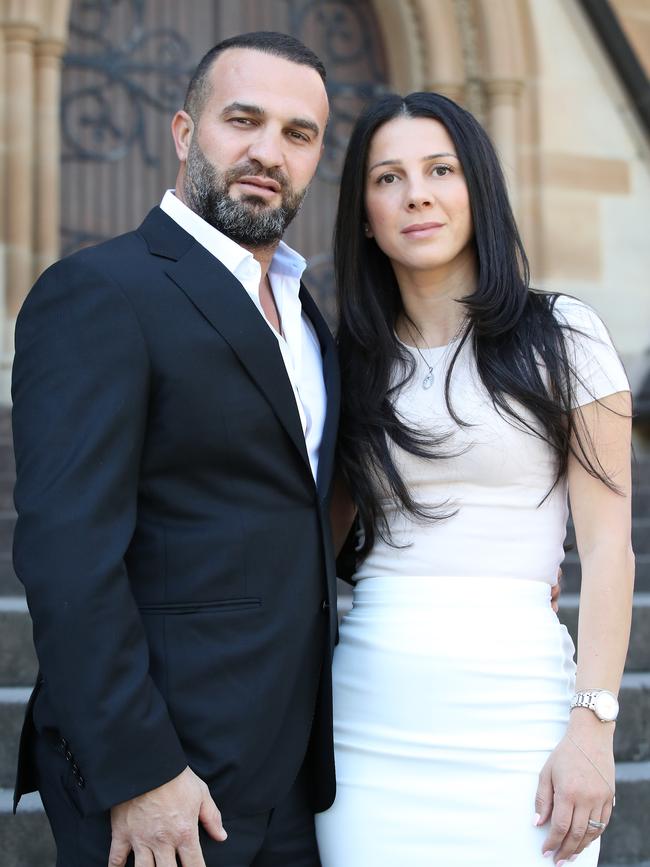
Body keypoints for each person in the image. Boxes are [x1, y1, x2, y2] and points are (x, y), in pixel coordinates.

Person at [12, 32, 338, 867]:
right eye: (243, 120)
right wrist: (141, 770)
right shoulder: (101, 291)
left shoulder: (311, 319)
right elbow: (67, 557)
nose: (269, 150)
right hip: (168, 783)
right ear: (185, 133)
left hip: (293, 773)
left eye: (298, 134)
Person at [315, 92, 634, 866]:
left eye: (439, 169)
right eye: (387, 178)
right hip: (370, 721)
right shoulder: (349, 362)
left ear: (477, 190)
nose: (415, 192)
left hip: (519, 708)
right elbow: (308, 546)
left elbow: (608, 548)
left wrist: (592, 728)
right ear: (364, 213)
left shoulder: (564, 336)